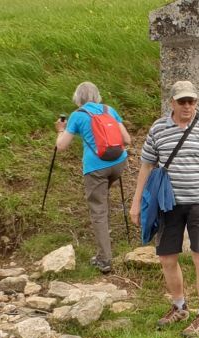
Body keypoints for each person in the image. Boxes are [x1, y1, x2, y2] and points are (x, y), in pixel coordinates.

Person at [129, 81, 199, 337]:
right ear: (172, 103)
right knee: (167, 257)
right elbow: (146, 165)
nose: (188, 106)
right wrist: (136, 201)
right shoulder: (158, 129)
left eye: (192, 101)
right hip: (169, 203)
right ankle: (179, 305)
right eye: (182, 102)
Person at [55, 82, 131, 274]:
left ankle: (104, 260)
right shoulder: (109, 110)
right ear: (97, 95)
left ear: (77, 98)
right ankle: (105, 243)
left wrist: (60, 130)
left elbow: (61, 146)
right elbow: (127, 140)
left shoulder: (77, 116)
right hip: (119, 163)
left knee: (98, 210)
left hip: (96, 168)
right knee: (102, 199)